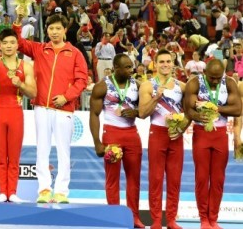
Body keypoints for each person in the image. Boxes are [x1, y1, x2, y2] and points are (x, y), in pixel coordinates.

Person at [14, 3, 88, 203]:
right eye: (51, 28)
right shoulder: (39, 49)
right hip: (41, 107)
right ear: (46, 30)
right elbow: (18, 43)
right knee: (42, 150)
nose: (54, 32)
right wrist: (18, 20)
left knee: (64, 151)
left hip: (64, 109)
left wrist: (66, 97)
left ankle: (62, 191)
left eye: (58, 28)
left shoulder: (75, 53)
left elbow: (82, 80)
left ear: (64, 30)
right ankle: (44, 190)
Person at [0, 11, 36, 203]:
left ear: (17, 44)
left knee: (14, 155)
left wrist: (21, 85)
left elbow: (33, 93)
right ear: (0, 45)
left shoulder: (26, 67)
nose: (9, 46)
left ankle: (13, 192)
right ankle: (3, 191)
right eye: (5, 43)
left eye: (12, 42)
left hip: (16, 113)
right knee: (1, 155)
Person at [183, 59, 241, 229]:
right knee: (202, 178)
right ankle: (203, 219)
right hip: (201, 133)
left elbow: (237, 109)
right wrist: (196, 115)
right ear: (204, 72)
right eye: (212, 78)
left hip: (220, 134)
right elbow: (188, 109)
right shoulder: (195, 82)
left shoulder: (229, 83)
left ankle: (213, 218)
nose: (215, 81)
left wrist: (214, 108)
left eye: (218, 77)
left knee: (218, 179)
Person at [89, 54, 144, 228]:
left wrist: (137, 112)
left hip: (132, 134)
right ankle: (114, 216)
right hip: (111, 134)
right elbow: (94, 114)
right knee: (112, 178)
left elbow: (145, 109)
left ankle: (134, 217)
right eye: (126, 67)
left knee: (134, 178)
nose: (131, 70)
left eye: (131, 67)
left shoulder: (137, 85)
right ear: (116, 68)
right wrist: (97, 142)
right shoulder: (102, 86)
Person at [138, 49, 188, 229]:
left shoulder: (182, 87)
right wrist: (156, 97)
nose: (165, 65)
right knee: (156, 179)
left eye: (168, 61)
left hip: (176, 135)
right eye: (162, 62)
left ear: (173, 63)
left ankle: (172, 220)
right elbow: (142, 113)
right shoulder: (147, 86)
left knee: (174, 180)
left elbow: (189, 113)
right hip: (157, 134)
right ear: (155, 64)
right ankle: (157, 221)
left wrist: (182, 128)